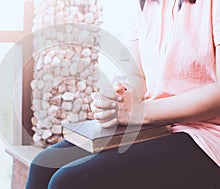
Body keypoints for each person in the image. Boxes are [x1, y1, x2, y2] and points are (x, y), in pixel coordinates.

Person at [25, 0, 220, 188]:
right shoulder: (145, 4)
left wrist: (139, 112)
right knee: (43, 165)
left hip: (207, 135)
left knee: (68, 181)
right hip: (157, 127)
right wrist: (118, 101)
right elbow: (137, 76)